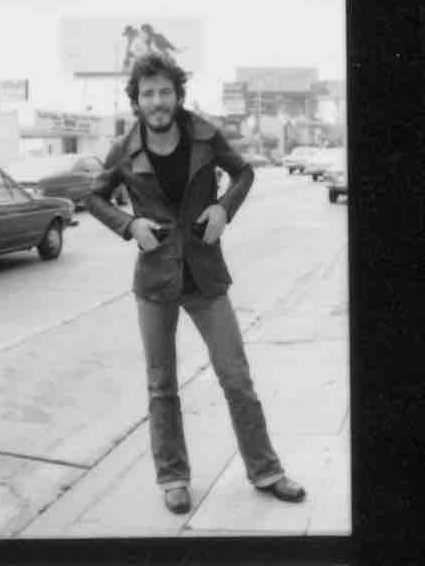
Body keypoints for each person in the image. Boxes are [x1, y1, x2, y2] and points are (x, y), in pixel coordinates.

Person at [78, 52, 305, 518]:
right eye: (148, 94)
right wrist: (128, 225)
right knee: (161, 385)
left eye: (165, 91)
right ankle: (173, 478)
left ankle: (265, 470)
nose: (157, 101)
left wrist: (224, 208)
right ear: (136, 101)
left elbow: (244, 171)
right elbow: (94, 197)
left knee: (236, 377)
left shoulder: (204, 134)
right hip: (155, 279)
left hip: (204, 274)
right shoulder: (125, 148)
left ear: (178, 95)